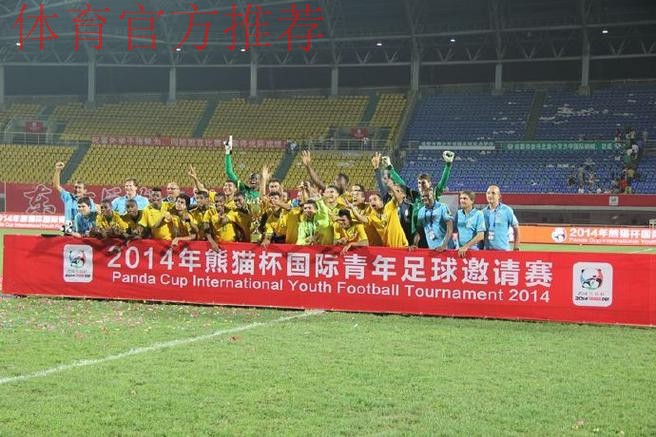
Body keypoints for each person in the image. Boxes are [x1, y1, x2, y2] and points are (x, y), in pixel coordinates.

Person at [482, 185, 520, 251]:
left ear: (499, 196)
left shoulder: (507, 210)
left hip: (503, 251)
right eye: (488, 193)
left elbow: (516, 229)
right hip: (487, 251)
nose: (490, 195)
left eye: (493, 193)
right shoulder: (483, 212)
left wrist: (516, 248)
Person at [224, 135, 261, 202]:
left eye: (255, 179)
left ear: (260, 182)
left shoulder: (264, 194)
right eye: (251, 179)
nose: (252, 181)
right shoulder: (244, 189)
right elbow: (229, 172)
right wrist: (228, 152)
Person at [454, 190, 485, 258]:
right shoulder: (458, 213)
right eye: (461, 198)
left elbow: (481, 235)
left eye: (465, 198)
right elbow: (455, 232)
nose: (462, 200)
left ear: (472, 201)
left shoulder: (478, 214)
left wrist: (466, 246)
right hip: (459, 251)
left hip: (474, 252)